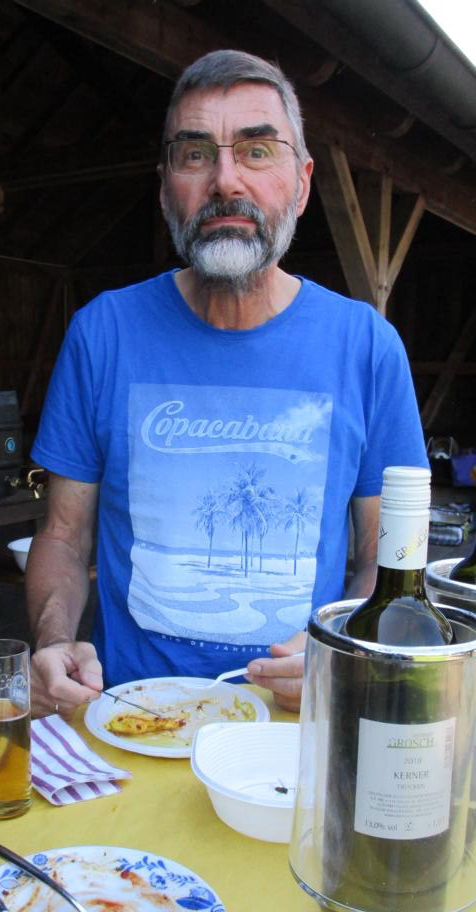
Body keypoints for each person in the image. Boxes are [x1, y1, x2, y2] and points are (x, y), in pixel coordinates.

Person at [27, 48, 427, 716]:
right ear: (165, 188)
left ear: (302, 183)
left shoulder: (366, 347)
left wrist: (340, 653)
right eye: (195, 154)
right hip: (130, 719)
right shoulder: (102, 334)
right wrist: (52, 639)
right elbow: (64, 538)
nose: (225, 180)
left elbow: (383, 563)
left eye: (256, 151)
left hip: (298, 729)